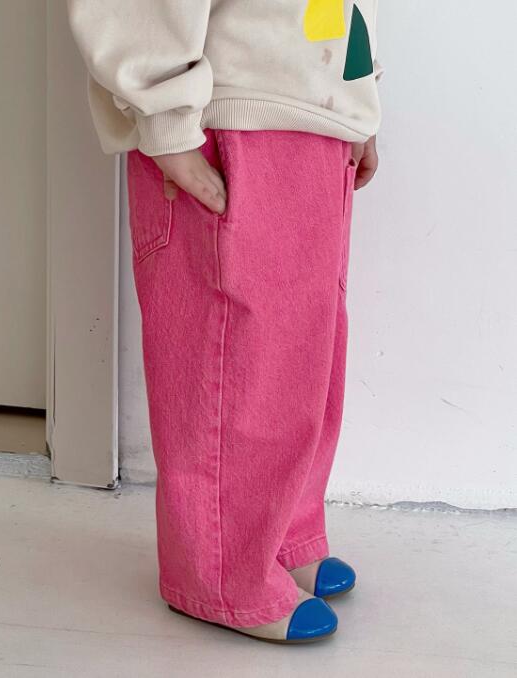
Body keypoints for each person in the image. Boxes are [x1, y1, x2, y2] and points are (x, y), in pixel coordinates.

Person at [68, 0, 383, 644]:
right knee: (236, 355)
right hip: (225, 117)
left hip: (308, 105)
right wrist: (165, 115)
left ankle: (282, 533)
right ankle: (219, 571)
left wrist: (359, 100)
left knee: (304, 346)